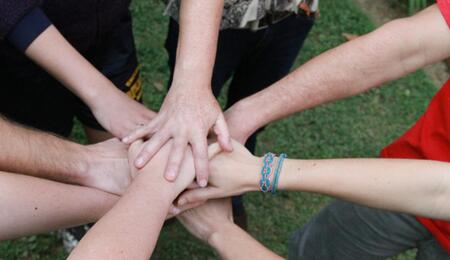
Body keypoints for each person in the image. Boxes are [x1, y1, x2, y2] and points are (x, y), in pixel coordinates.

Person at [172, 1, 450, 258]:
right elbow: (407, 47)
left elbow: (441, 192)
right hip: (399, 172)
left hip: (422, 187)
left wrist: (221, 230)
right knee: (314, 250)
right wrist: (248, 112)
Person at [124, 0, 318, 227]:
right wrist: (190, 86)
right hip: (213, 18)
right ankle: (168, 190)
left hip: (291, 12)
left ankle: (228, 189)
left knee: (247, 121)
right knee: (187, 119)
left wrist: (250, 115)